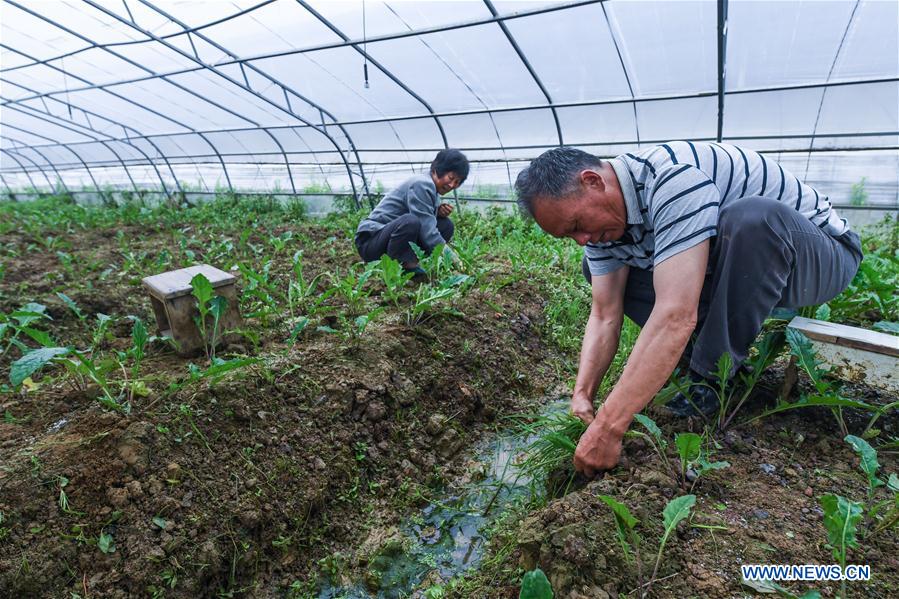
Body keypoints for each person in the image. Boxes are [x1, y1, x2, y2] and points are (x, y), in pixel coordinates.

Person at [514, 141, 862, 477]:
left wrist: (609, 426)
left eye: (576, 226)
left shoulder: (672, 177)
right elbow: (605, 314)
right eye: (569, 236)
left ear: (593, 182)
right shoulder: (604, 227)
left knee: (752, 218)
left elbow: (676, 314)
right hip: (734, 267)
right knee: (599, 273)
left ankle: (709, 378)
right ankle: (704, 360)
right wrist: (583, 394)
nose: (582, 240)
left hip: (818, 253)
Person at [355, 149, 469, 274]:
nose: (452, 185)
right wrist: (453, 259)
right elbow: (427, 230)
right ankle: (402, 267)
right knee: (410, 221)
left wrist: (437, 212)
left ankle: (409, 261)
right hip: (370, 242)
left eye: (457, 182)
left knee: (445, 225)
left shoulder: (432, 188)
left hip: (387, 239)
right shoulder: (422, 184)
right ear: (438, 169)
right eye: (451, 178)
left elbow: (423, 216)